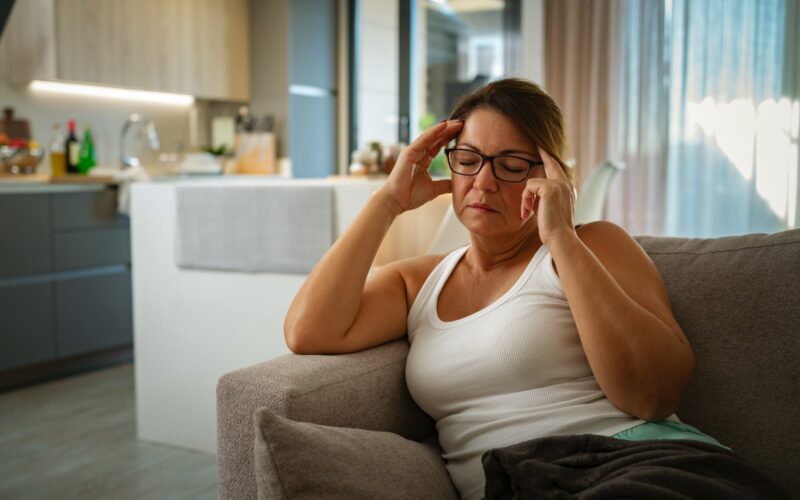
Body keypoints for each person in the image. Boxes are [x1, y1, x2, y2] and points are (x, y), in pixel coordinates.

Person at [283, 79, 741, 499]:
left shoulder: (593, 244)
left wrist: (560, 235)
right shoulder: (418, 281)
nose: (483, 181)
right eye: (468, 160)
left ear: (548, 174)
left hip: (637, 466)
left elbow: (652, 396)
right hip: (517, 483)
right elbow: (308, 330)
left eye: (511, 165)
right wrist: (388, 201)